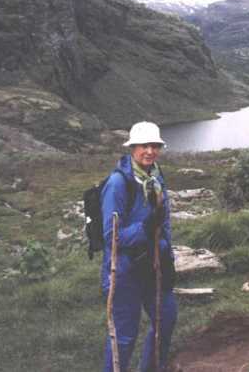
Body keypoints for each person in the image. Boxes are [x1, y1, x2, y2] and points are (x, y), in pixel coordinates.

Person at [101, 121, 177, 371]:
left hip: (153, 265)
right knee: (124, 336)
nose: (150, 151)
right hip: (124, 270)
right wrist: (144, 228)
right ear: (132, 147)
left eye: (155, 145)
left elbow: (162, 224)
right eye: (144, 145)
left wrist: (168, 257)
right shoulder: (117, 183)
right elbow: (112, 238)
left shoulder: (156, 177)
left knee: (165, 318)